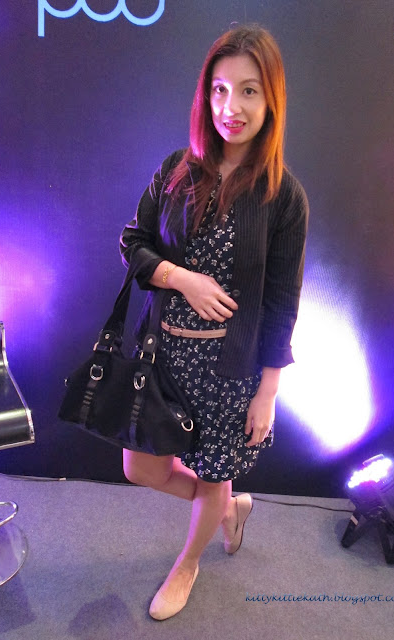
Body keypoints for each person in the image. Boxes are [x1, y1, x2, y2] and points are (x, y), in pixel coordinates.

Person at [119, 24, 308, 620]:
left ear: (271, 100)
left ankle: (189, 562)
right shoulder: (177, 170)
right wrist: (182, 278)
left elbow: (282, 301)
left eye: (249, 91)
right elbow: (133, 243)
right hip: (162, 356)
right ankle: (227, 509)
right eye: (220, 90)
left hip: (231, 372)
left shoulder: (283, 196)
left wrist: (268, 392)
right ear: (206, 95)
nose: (232, 107)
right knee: (139, 467)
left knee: (212, 474)